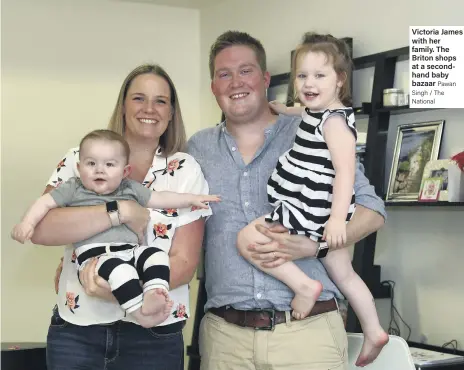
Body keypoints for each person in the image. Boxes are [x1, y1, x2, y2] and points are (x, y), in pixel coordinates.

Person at [187, 30, 387, 370]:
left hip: (308, 336)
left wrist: (316, 247)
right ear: (213, 86)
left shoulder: (315, 128)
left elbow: (372, 211)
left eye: (246, 70)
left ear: (265, 78)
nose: (236, 81)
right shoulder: (198, 148)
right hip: (225, 341)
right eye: (224, 73)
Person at [31, 64, 211, 370]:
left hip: (154, 335)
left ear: (171, 113)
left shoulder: (185, 169)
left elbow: (184, 262)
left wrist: (117, 292)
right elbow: (42, 229)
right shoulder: (80, 159)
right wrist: (119, 212)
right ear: (124, 106)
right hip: (79, 330)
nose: (149, 109)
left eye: (161, 101)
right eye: (139, 98)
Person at [12, 129, 219, 328]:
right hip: (98, 257)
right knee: (122, 272)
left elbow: (161, 198)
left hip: (130, 250)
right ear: (79, 167)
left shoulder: (128, 187)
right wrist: (27, 224)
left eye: (109, 164)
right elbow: (45, 203)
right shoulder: (74, 188)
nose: (99, 169)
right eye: (91, 163)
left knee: (155, 255)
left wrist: (193, 198)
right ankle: (141, 313)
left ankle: (154, 291)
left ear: (124, 171)